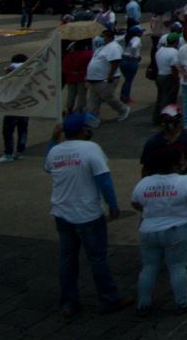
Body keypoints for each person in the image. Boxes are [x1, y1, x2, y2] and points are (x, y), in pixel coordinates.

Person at [45, 112, 127, 318]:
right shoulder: (91, 149)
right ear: (83, 130)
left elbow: (47, 167)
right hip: (88, 214)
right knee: (97, 258)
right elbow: (104, 180)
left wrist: (53, 140)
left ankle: (69, 302)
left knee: (67, 259)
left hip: (62, 212)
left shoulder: (55, 152)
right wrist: (113, 205)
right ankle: (108, 298)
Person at [132, 144, 187, 315]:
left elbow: (135, 203)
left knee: (149, 267)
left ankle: (143, 303)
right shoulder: (186, 182)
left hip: (148, 230)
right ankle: (182, 301)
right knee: (177, 266)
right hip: (177, 229)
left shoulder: (144, 184)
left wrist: (152, 211)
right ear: (174, 164)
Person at [140, 104, 187, 178]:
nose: (168, 121)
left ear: (179, 118)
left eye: (171, 118)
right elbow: (146, 168)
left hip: (179, 179)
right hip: (159, 180)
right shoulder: (153, 142)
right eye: (165, 118)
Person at [0, 54, 32, 163]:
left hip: (13, 106)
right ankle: (20, 151)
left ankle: (8, 153)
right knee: (23, 129)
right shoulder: (29, 70)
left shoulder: (12, 69)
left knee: (8, 130)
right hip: (25, 106)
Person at [85, 32, 129, 122]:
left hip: (105, 78)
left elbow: (115, 62)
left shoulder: (114, 47)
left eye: (102, 36)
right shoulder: (102, 47)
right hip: (95, 78)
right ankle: (94, 117)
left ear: (109, 37)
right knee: (94, 99)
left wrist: (110, 75)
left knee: (107, 96)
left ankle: (123, 109)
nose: (100, 38)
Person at [118, 26, 143, 107]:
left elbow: (116, 40)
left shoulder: (125, 37)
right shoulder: (137, 39)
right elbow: (134, 46)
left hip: (123, 59)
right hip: (131, 60)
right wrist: (134, 54)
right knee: (129, 80)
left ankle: (123, 95)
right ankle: (125, 97)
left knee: (127, 80)